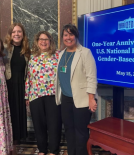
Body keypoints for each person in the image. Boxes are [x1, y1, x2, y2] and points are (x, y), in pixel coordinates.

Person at [55, 24, 98, 155]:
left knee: (81, 132)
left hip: (82, 99)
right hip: (66, 98)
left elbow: (91, 77)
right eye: (65, 35)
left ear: (76, 36)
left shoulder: (85, 52)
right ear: (62, 37)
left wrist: (91, 98)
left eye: (71, 34)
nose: (68, 37)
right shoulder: (61, 54)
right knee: (69, 130)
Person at [25, 31, 62, 155]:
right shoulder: (32, 57)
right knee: (38, 125)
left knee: (54, 125)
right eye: (41, 39)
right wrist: (27, 96)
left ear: (50, 41)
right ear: (37, 41)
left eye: (46, 39)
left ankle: (54, 150)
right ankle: (42, 150)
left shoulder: (58, 55)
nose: (43, 42)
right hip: (35, 95)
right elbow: (28, 78)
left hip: (53, 95)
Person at [4, 23, 30, 144]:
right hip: (8, 85)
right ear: (10, 34)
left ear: (23, 34)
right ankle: (8, 138)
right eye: (14, 32)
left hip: (21, 85)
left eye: (19, 32)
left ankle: (17, 138)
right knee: (9, 111)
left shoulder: (27, 51)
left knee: (20, 111)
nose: (16, 34)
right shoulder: (4, 49)